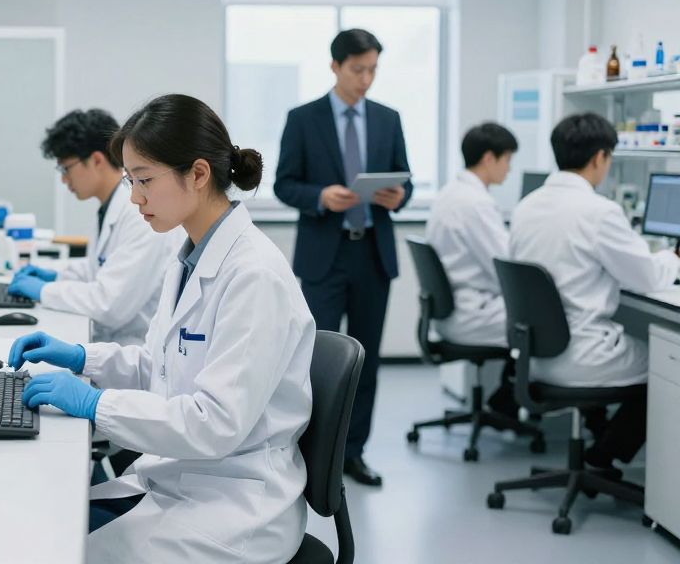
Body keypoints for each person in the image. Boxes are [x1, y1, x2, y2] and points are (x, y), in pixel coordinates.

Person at [9, 94, 315, 563]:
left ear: (197, 173)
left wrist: (95, 402)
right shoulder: (190, 257)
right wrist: (82, 357)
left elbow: (214, 424)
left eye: (145, 181)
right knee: (47, 519)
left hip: (237, 503)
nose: (133, 198)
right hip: (183, 479)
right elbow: (161, 366)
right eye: (132, 180)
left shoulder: (254, 275)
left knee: (58, 548)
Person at [274, 27, 411, 487]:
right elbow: (283, 183)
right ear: (335, 67)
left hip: (372, 255)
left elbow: (404, 183)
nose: (366, 79)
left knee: (366, 362)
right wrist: (320, 196)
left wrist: (399, 196)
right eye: (358, 70)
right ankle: (310, 455)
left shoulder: (388, 119)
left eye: (373, 70)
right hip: (323, 257)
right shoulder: (303, 118)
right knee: (315, 361)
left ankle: (353, 453)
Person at [510, 112, 679, 470]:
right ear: (600, 157)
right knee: (669, 361)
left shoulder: (526, 207)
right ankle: (603, 457)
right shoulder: (598, 212)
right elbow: (648, 278)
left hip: (535, 356)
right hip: (582, 357)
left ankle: (601, 446)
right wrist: (673, 257)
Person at [8, 108, 178, 347]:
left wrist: (44, 291)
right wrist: (56, 275)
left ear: (96, 160)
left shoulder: (139, 214)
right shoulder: (109, 206)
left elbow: (109, 304)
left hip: (133, 350)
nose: (64, 179)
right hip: (112, 343)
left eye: (66, 168)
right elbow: (100, 267)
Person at [426, 122, 519, 416]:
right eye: (507, 160)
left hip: (450, 310)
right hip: (471, 312)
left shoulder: (451, 192)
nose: (509, 169)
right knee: (544, 323)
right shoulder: (476, 202)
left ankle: (505, 401)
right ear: (489, 158)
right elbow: (505, 266)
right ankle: (509, 401)